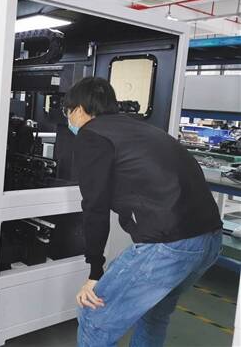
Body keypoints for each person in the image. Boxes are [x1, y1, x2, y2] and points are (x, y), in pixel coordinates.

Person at [64, 77, 222, 347]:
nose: (68, 119)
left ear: (78, 110)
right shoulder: (142, 129)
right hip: (209, 240)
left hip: (169, 246)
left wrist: (95, 272)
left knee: (94, 317)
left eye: (67, 112)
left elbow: (94, 207)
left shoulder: (92, 135)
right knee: (153, 314)